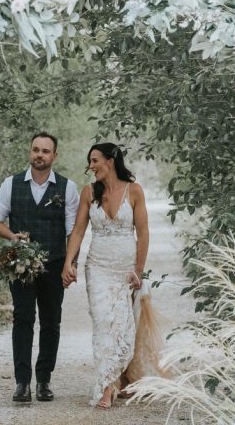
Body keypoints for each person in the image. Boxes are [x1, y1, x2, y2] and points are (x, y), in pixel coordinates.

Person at [62, 142, 167, 409]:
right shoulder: (89, 192)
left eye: (95, 160)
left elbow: (143, 233)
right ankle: (106, 387)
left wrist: (139, 270)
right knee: (103, 324)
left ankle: (122, 379)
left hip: (125, 269)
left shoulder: (134, 191)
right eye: (90, 161)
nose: (91, 166)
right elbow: (77, 232)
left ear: (111, 161)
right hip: (97, 267)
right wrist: (68, 263)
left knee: (122, 325)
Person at [0, 132, 80, 403]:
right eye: (36, 150)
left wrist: (69, 264)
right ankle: (22, 383)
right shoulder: (11, 184)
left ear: (54, 156)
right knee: (23, 318)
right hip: (21, 265)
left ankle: (44, 380)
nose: (40, 155)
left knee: (51, 321)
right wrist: (12, 236)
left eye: (45, 151)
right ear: (30, 152)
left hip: (53, 265)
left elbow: (72, 232)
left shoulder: (67, 187)